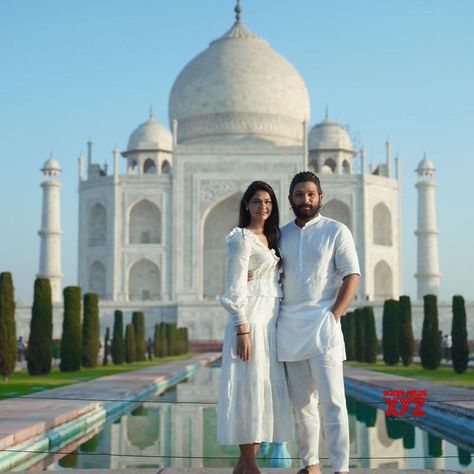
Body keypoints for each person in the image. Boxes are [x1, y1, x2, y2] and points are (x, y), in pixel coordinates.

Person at [277, 171, 360, 474]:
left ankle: (340, 468)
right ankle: (310, 464)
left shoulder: (336, 231)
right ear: (290, 199)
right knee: (302, 406)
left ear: (321, 197)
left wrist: (335, 314)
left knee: (333, 402)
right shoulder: (280, 234)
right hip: (289, 328)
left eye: (311, 194)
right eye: (299, 194)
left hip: (323, 325)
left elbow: (352, 274)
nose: (306, 200)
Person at [217, 181, 293, 474]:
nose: (263, 207)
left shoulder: (272, 239)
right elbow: (235, 286)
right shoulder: (242, 238)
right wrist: (241, 329)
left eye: (268, 202)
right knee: (248, 393)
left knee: (266, 395)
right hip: (249, 322)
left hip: (271, 322)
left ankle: (242, 468)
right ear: (246, 205)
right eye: (257, 201)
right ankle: (251, 468)